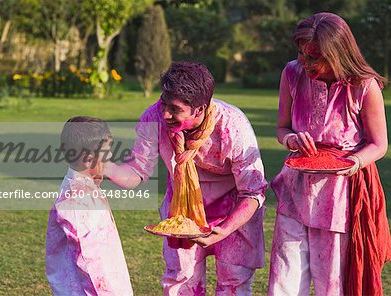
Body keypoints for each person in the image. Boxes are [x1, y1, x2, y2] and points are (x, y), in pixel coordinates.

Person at [105, 61, 268, 295]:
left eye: (175, 109)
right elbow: (138, 172)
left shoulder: (233, 125)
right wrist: (105, 167)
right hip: (182, 209)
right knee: (181, 281)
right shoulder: (154, 118)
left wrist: (224, 229)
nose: (165, 113)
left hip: (233, 207)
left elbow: (253, 192)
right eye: (163, 102)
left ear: (200, 109)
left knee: (234, 283)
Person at [267, 12, 391, 296]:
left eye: (315, 57)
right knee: (284, 278)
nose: (306, 63)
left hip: (340, 194)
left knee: (331, 281)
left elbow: (379, 144)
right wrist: (291, 139)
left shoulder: (364, 86)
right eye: (301, 53)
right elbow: (281, 127)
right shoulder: (291, 73)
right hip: (296, 188)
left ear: (338, 53)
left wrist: (355, 162)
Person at [45, 116, 133, 296]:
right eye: (106, 153)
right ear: (88, 159)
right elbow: (89, 260)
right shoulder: (79, 204)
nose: (109, 158)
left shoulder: (81, 187)